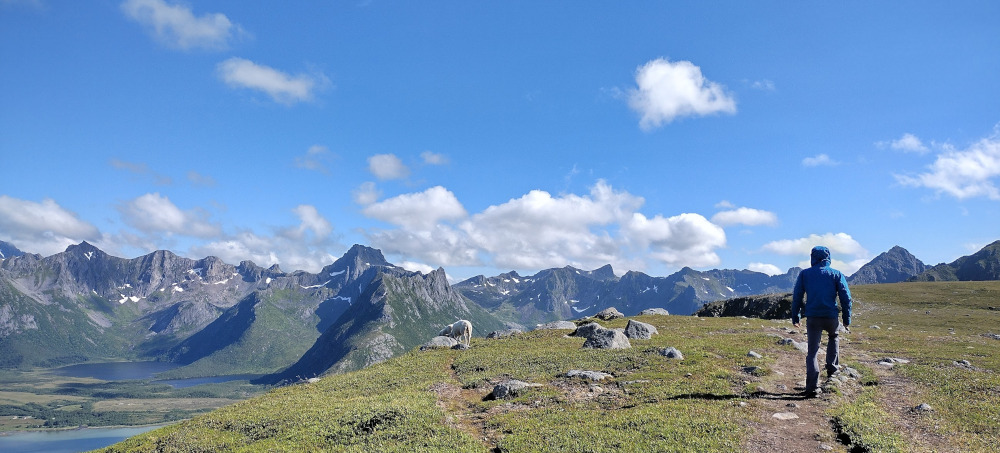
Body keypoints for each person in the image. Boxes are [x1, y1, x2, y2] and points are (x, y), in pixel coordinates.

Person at [790, 245, 852, 397]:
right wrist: (846, 319)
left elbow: (797, 296)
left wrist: (795, 317)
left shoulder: (805, 274)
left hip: (813, 318)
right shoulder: (836, 274)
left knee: (812, 351)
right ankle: (832, 370)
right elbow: (846, 297)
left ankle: (812, 387)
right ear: (828, 257)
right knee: (834, 337)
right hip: (831, 316)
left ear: (813, 257)